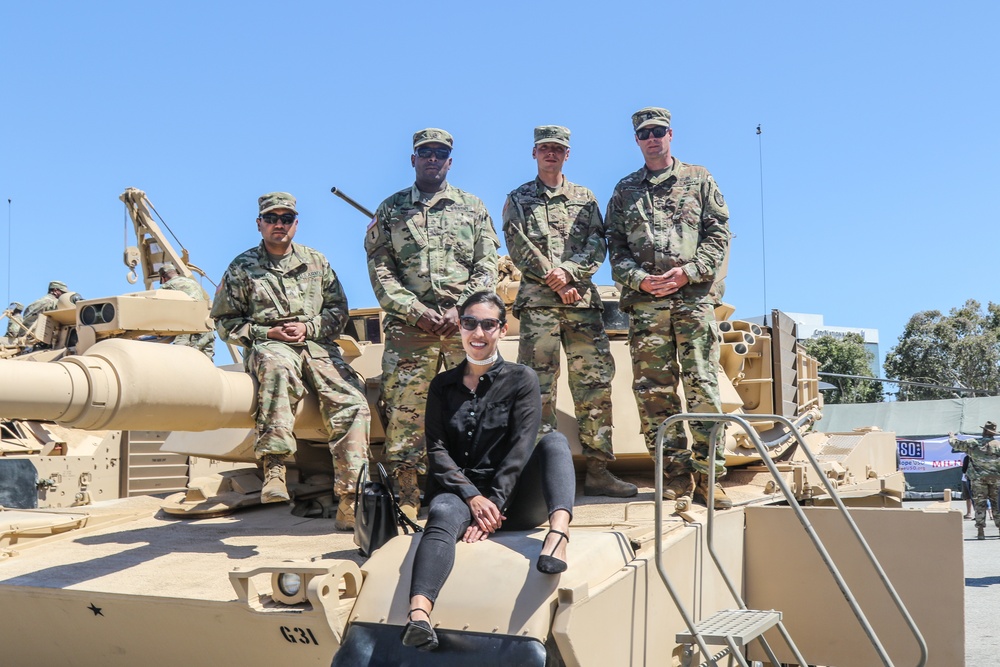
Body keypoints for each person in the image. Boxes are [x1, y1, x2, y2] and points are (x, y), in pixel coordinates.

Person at [401, 291, 574, 652]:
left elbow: (521, 448)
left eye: (487, 324)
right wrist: (474, 498)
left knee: (554, 442)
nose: (477, 332)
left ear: (501, 329)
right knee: (443, 512)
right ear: (460, 328)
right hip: (465, 494)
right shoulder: (442, 385)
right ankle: (419, 615)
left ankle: (558, 536)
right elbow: (436, 449)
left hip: (515, 500)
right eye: (469, 323)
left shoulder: (521, 378)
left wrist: (492, 504)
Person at [211, 192, 370, 529]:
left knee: (352, 402)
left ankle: (351, 498)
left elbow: (338, 309)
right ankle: (275, 468)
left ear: (296, 224)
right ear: (259, 224)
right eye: (272, 219)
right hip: (270, 345)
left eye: (286, 219)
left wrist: (309, 327)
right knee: (277, 370)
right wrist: (268, 335)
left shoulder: (317, 262)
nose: (279, 224)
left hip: (316, 345)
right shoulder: (242, 268)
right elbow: (225, 323)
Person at [366, 128, 500, 519]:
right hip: (412, 331)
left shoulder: (472, 207)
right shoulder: (391, 210)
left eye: (440, 153)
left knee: (480, 407)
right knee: (407, 413)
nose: (432, 158)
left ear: (449, 161)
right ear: (413, 159)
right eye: (425, 152)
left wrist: (461, 309)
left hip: (467, 328)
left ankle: (479, 487)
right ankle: (406, 491)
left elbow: (486, 263)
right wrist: (415, 311)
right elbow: (381, 271)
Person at [605, 106, 732, 509]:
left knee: (703, 389)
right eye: (645, 134)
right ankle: (675, 475)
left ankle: (710, 476)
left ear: (671, 134)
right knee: (653, 394)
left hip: (692, 303)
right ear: (637, 141)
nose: (652, 138)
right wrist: (638, 279)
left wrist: (688, 272)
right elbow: (615, 248)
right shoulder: (625, 190)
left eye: (658, 131)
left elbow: (719, 233)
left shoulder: (699, 179)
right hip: (646, 307)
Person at [502, 125, 635, 498]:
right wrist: (553, 277)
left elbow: (598, 243)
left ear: (567, 154)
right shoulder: (519, 197)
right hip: (540, 305)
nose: (550, 153)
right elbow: (517, 242)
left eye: (557, 148)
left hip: (581, 305)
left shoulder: (584, 197)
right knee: (537, 391)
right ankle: (543, 474)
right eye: (544, 148)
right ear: (534, 153)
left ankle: (598, 470)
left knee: (594, 387)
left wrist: (570, 273)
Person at [949, 421, 1000, 540]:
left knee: (979, 505)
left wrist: (952, 436)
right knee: (996, 505)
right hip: (996, 480)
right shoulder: (998, 445)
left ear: (985, 431)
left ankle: (980, 531)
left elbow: (955, 444)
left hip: (978, 480)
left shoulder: (974, 443)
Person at [158, 261, 215, 360]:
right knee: (206, 364)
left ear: (163, 278)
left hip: (190, 329)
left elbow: (159, 310)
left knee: (181, 360)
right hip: (207, 329)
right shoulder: (192, 282)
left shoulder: (167, 286)